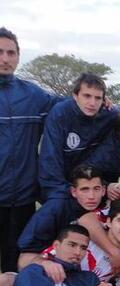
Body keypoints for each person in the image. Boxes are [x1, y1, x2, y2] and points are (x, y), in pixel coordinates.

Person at [0, 27, 62, 272]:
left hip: (23, 198)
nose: (5, 58)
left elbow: (68, 108)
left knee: (15, 262)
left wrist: (103, 104)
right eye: (0, 52)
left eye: (10, 53)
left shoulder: (32, 95)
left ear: (18, 56)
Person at [39, 73, 117, 201]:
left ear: (104, 100)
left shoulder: (109, 115)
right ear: (75, 96)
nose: (92, 103)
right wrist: (62, 197)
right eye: (87, 96)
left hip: (93, 191)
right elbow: (50, 163)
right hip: (62, 191)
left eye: (97, 98)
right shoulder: (60, 114)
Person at [17, 165, 106, 270]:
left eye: (96, 189)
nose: (91, 196)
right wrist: (45, 264)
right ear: (73, 191)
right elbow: (25, 257)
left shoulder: (106, 205)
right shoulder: (55, 208)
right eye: (84, 189)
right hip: (54, 268)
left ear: (103, 190)